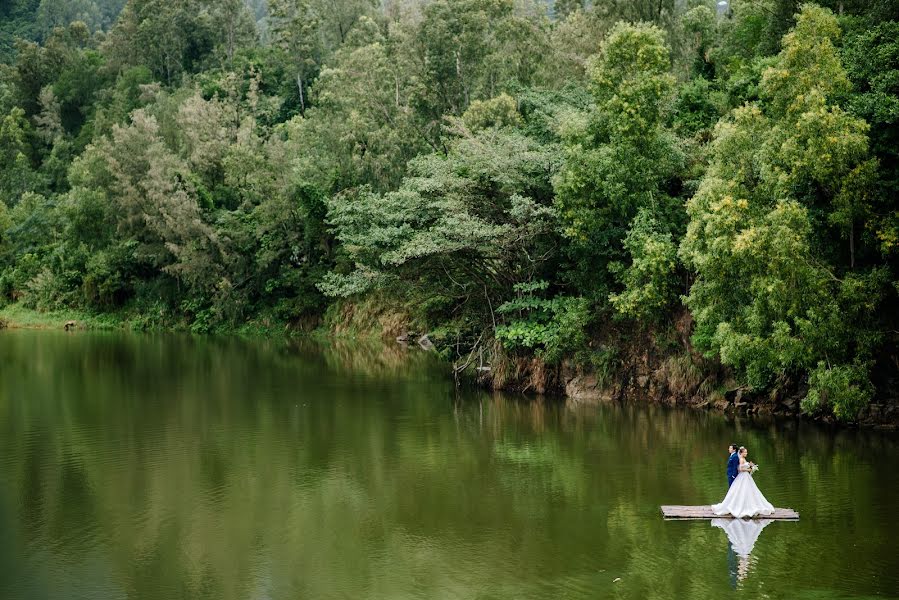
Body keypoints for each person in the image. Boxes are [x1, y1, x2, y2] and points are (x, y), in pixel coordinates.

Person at [712, 446, 775, 518]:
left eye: (746, 452)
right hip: (743, 476)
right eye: (745, 452)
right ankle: (742, 506)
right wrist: (749, 470)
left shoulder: (743, 459)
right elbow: (740, 469)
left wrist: (751, 467)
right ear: (741, 453)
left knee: (749, 491)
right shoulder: (741, 459)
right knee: (743, 490)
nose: (746, 453)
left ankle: (748, 504)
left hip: (746, 477)